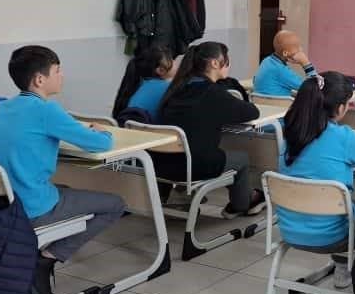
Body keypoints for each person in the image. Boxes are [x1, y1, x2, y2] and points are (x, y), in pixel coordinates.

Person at [0, 46, 126, 294]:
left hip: (1, 206)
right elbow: (100, 145)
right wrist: (103, 131)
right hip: (32, 206)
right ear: (39, 79)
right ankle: (47, 257)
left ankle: (39, 255)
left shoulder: (3, 107)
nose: (62, 76)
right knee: (115, 204)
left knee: (66, 188)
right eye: (58, 71)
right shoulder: (48, 110)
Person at [278, 71, 355, 288]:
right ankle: (353, 271)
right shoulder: (343, 136)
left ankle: (343, 266)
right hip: (333, 236)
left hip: (290, 229)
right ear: (342, 108)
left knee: (343, 206)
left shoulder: (290, 131)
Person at [159, 42, 266, 217]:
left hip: (164, 164)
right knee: (241, 159)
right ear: (215, 63)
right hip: (194, 166)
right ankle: (242, 204)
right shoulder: (212, 93)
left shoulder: (177, 88)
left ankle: (243, 197)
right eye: (227, 60)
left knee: (217, 152)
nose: (229, 65)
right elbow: (251, 111)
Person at [111, 44, 176, 120]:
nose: (175, 62)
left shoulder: (140, 85)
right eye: (172, 59)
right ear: (160, 70)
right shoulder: (167, 87)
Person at [253, 30, 316, 97]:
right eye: (297, 47)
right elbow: (313, 89)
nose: (301, 50)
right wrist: (305, 63)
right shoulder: (281, 70)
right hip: (280, 107)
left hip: (262, 106)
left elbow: (255, 81)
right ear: (285, 53)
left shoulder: (266, 61)